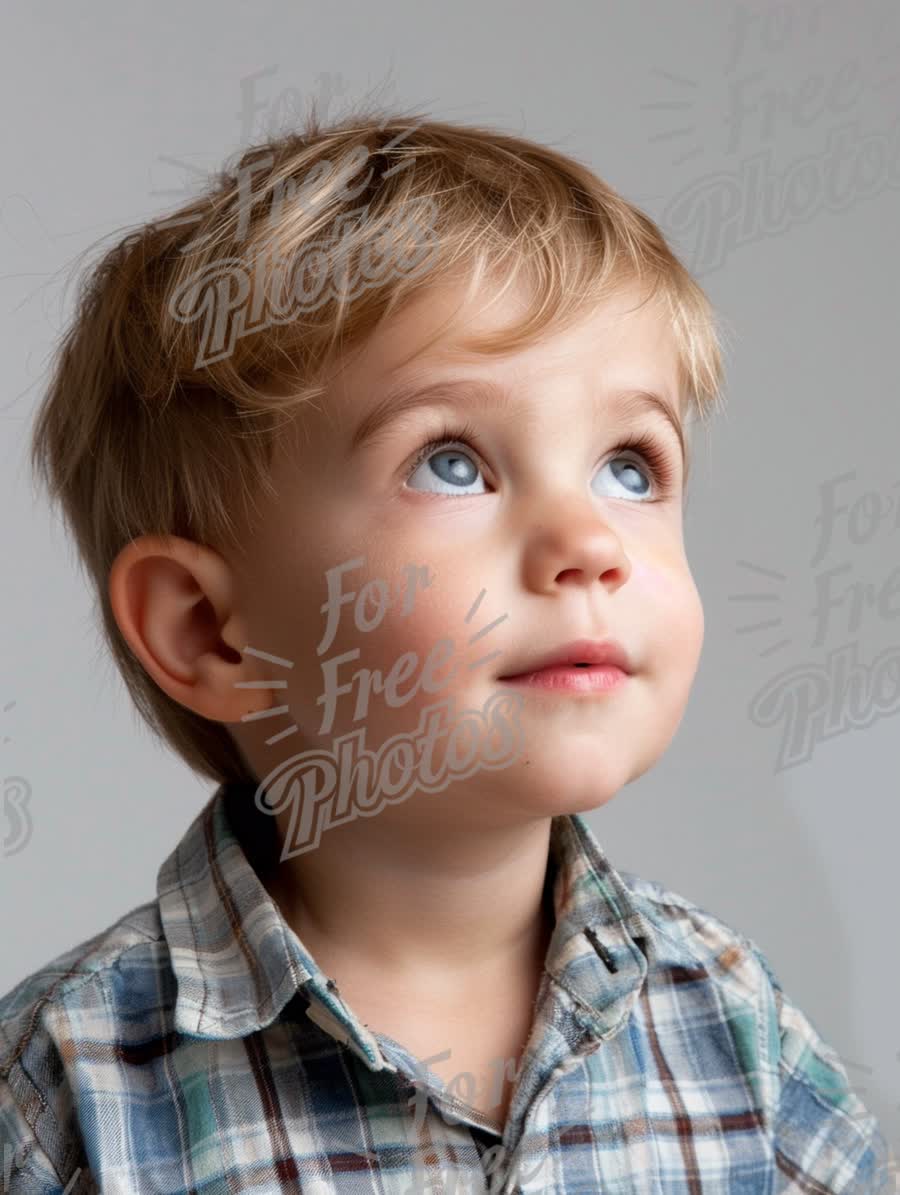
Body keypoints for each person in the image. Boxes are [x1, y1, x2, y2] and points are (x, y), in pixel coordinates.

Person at [2, 103, 894, 1193]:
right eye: (454, 464)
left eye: (630, 464)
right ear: (208, 631)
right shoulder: (69, 1088)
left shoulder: (732, 1022)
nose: (588, 543)